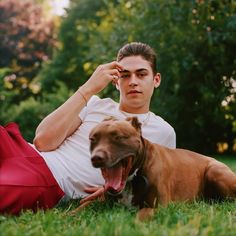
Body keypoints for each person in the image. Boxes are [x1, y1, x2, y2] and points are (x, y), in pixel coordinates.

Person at [0, 42, 176, 215]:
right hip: (21, 149)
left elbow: (157, 185)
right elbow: (43, 141)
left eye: (141, 74)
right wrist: (88, 88)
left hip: (49, 178)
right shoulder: (94, 103)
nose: (133, 82)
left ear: (156, 79)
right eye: (125, 75)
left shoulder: (162, 132)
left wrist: (115, 191)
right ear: (116, 82)